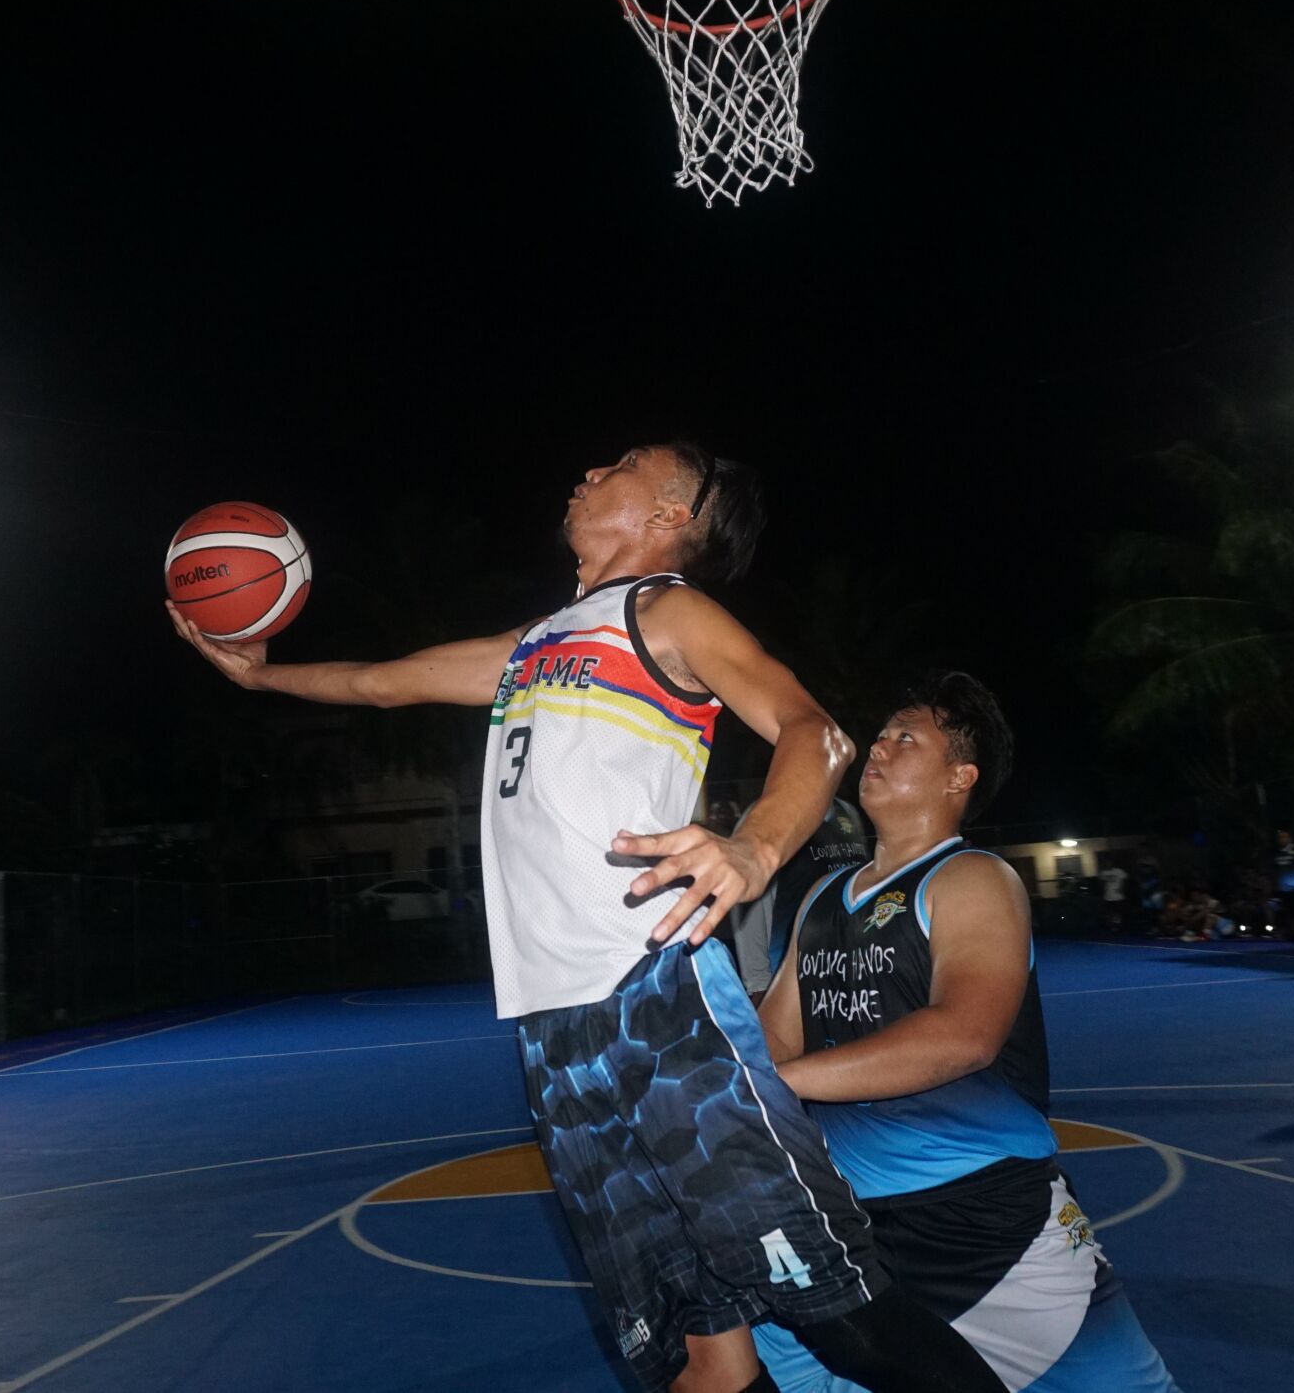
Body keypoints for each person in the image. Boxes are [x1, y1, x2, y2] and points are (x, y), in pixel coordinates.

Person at [170, 444, 1001, 1393]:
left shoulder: (666, 612)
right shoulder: (539, 641)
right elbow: (384, 681)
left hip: (657, 998)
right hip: (556, 1032)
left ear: (671, 515)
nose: (588, 471)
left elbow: (817, 731)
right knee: (698, 1357)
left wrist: (754, 847)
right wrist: (259, 679)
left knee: (839, 1312)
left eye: (623, 465)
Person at [752, 671, 1181, 1393]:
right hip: (857, 1228)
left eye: (905, 737)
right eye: (882, 735)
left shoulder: (974, 878)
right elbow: (775, 1039)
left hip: (991, 1226)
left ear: (960, 775)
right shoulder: (823, 899)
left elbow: (964, 1035)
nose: (878, 747)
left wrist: (776, 1081)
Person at [730, 797, 869, 1001]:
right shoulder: (771, 813)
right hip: (792, 980)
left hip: (850, 975)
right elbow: (747, 898)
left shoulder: (847, 811)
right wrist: (758, 983)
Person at [1097, 859, 1128, 932]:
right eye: (1106, 863)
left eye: (1109, 862)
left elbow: (1125, 880)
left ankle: (1119, 925)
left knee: (1118, 911)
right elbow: (1101, 883)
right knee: (1110, 912)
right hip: (1108, 896)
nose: (1108, 864)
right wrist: (1102, 892)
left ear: (1112, 863)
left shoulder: (1118, 871)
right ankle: (1112, 926)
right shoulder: (1103, 873)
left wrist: (1122, 888)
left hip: (1118, 896)